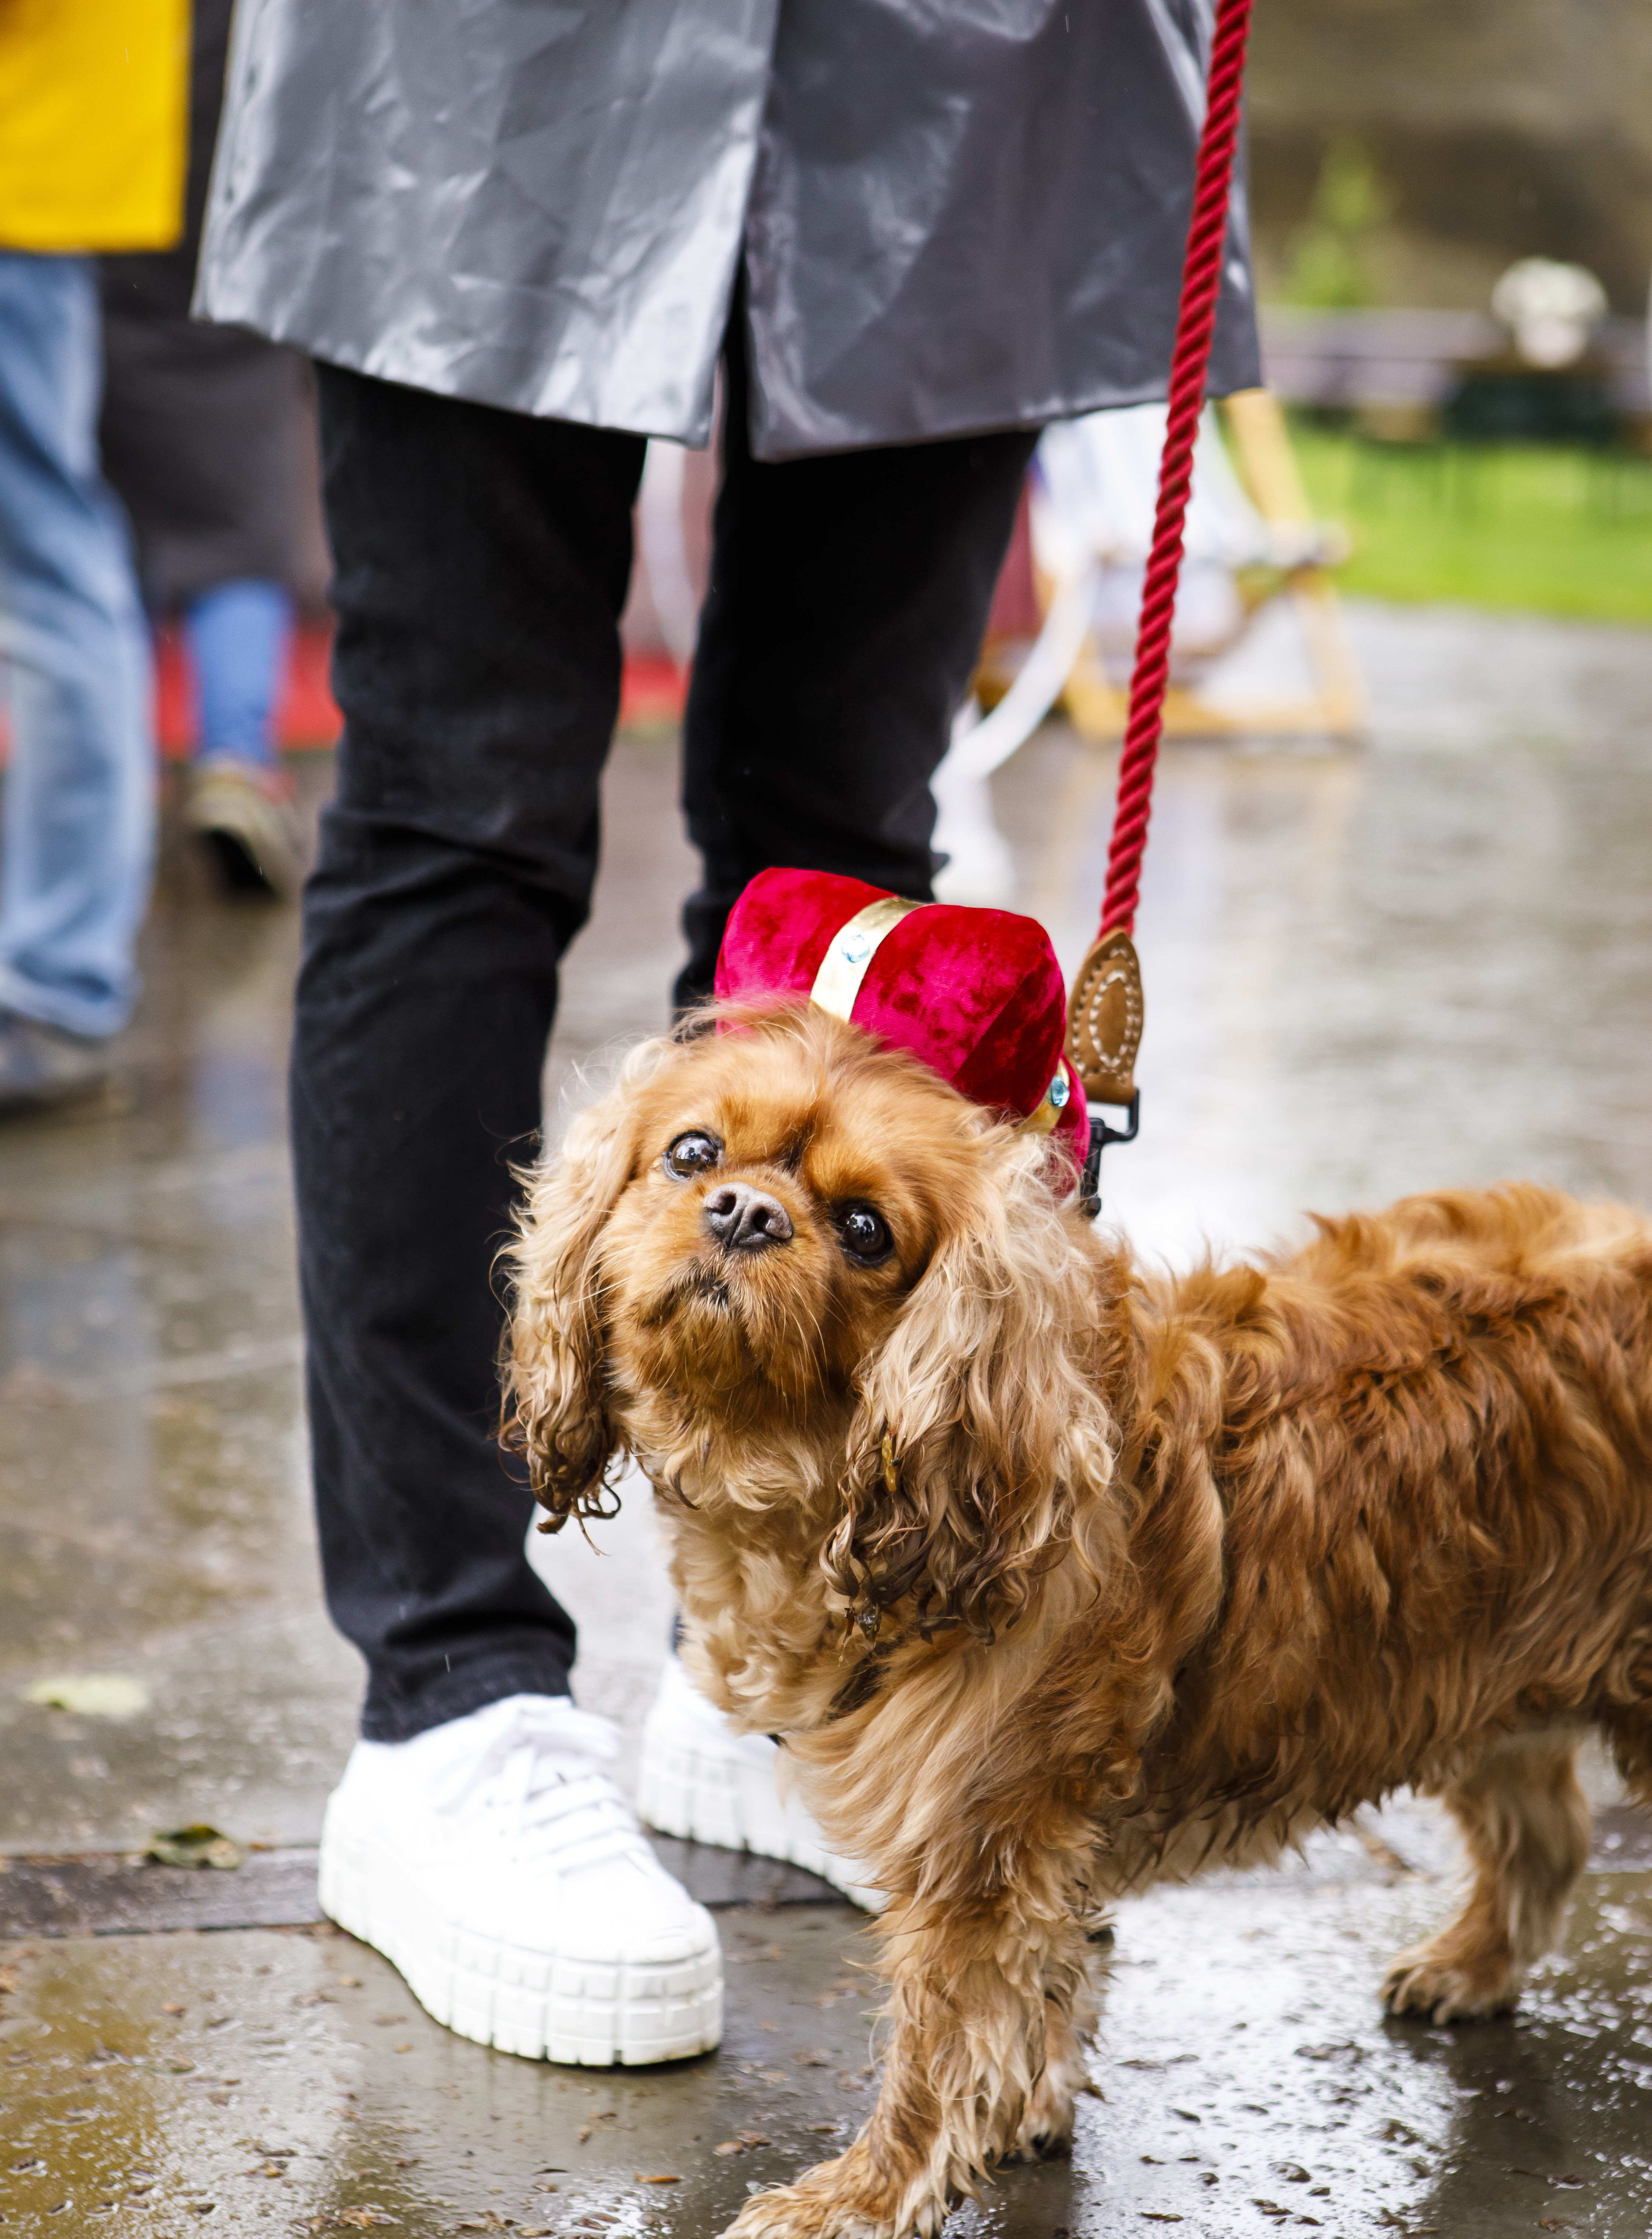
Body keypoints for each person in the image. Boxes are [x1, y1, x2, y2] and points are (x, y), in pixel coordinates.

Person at [197, 0, 1260, 2065]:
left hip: (963, 53)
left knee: (846, 842)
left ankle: (777, 1634)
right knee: (457, 805)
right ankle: (453, 1692)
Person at [0, 0, 187, 1113]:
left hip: (26, 140)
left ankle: (58, 981)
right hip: (37, 144)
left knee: (45, 574)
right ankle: (57, 975)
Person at [101, 0, 314, 902]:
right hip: (236, 281)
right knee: (241, 541)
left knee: (101, 540)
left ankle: (110, 781)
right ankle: (233, 758)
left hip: (106, 269)